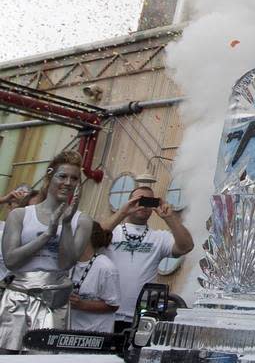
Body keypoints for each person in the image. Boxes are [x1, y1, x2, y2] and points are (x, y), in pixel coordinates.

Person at [0, 150, 93, 353]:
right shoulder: (20, 214)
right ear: (50, 176)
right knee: (6, 355)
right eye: (63, 176)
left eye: (74, 178)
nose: (68, 182)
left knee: (44, 356)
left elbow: (66, 263)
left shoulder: (82, 221)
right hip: (18, 296)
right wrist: (47, 235)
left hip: (53, 301)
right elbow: (11, 261)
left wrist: (66, 225)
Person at [101, 184, 193, 333]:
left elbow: (186, 246)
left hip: (140, 318)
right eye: (139, 200)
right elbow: (94, 238)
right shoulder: (113, 232)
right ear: (129, 202)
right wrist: (122, 213)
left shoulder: (159, 237)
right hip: (105, 314)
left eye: (149, 202)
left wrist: (170, 217)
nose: (143, 205)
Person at [69, 222, 119, 333]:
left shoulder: (106, 268)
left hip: (96, 335)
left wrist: (82, 305)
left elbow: (113, 305)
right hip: (71, 331)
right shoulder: (68, 263)